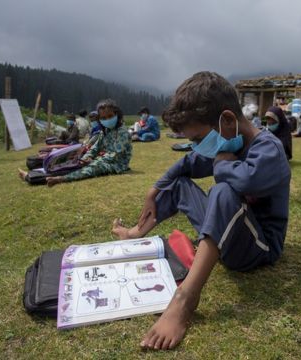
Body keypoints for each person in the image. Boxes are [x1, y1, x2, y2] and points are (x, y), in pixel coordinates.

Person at [110, 71, 290, 350]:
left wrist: (220, 164)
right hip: (228, 235)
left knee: (223, 190)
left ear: (228, 121)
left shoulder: (269, 150)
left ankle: (185, 299)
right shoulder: (228, 142)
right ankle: (136, 232)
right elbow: (187, 164)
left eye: (197, 139)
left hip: (259, 248)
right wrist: (154, 190)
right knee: (180, 184)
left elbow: (245, 180)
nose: (196, 147)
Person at [20, 99, 132, 187]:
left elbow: (115, 155)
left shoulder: (122, 132)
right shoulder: (105, 131)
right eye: (103, 118)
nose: (107, 119)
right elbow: (95, 148)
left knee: (94, 167)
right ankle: (33, 175)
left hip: (117, 165)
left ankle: (61, 179)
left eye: (110, 116)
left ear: (117, 115)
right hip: (103, 159)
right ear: (100, 119)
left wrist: (94, 160)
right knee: (74, 162)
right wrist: (86, 157)